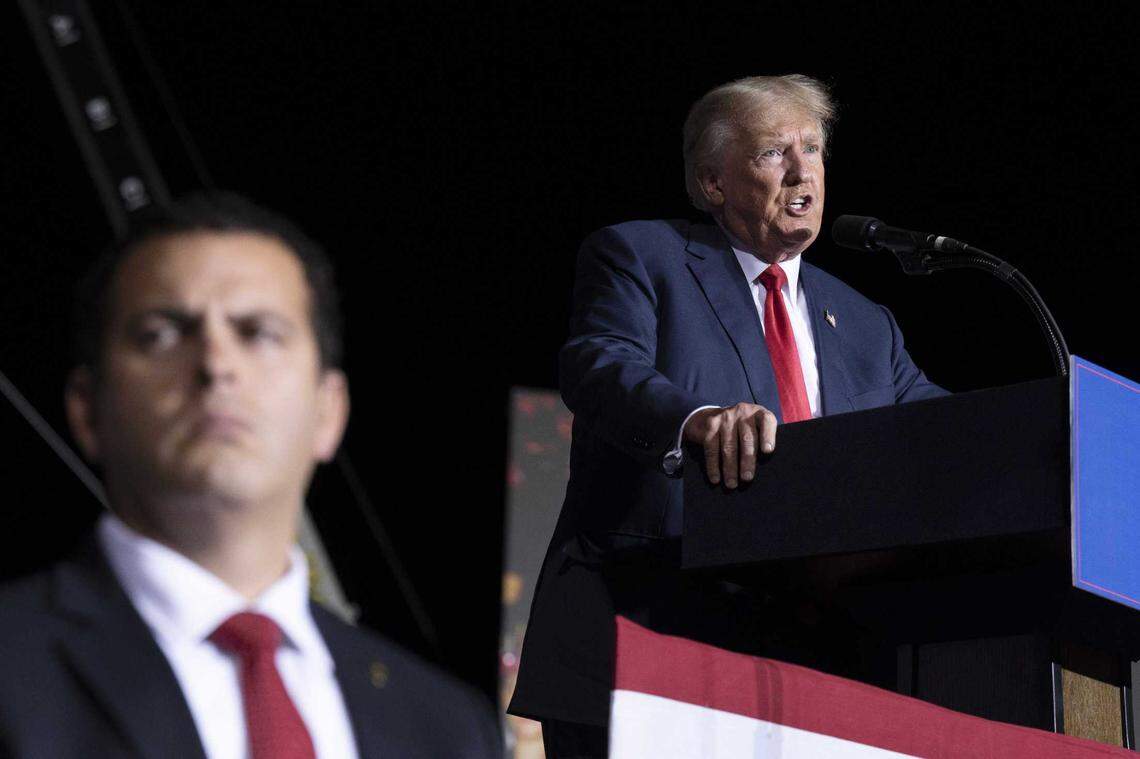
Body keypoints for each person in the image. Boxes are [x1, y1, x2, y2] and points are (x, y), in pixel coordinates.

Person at [507, 74, 947, 758]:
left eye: (813, 148)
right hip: (650, 639)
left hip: (815, 670)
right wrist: (697, 420)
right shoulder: (642, 256)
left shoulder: (867, 325)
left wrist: (1055, 437)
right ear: (714, 183)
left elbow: (944, 434)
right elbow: (597, 363)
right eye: (775, 152)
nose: (803, 169)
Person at [0, 192, 501, 759]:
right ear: (88, 408)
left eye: (258, 332)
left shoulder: (446, 727)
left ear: (328, 411)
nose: (217, 364)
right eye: (162, 334)